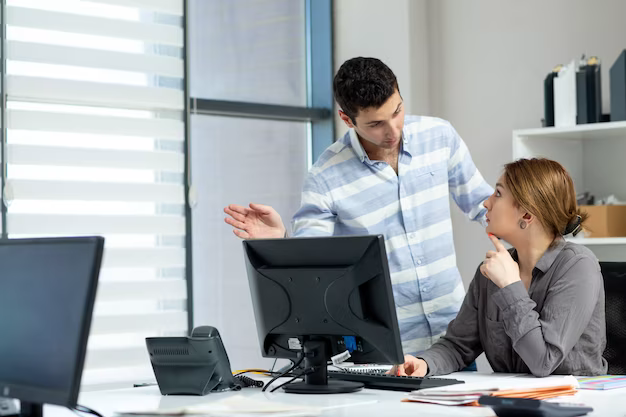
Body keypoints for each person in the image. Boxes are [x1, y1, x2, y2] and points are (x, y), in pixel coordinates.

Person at [224, 57, 493, 355]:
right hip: (387, 348)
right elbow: (315, 265)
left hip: (454, 339)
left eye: (397, 111)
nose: (392, 131)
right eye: (376, 124)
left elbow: (486, 209)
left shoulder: (439, 136)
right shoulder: (325, 177)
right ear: (347, 119)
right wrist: (282, 243)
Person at [396, 158, 607, 377]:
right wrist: (424, 363)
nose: (486, 203)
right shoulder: (490, 272)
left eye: (498, 194)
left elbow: (544, 362)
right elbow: (458, 347)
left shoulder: (577, 266)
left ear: (527, 214)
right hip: (513, 400)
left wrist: (510, 287)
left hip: (577, 403)